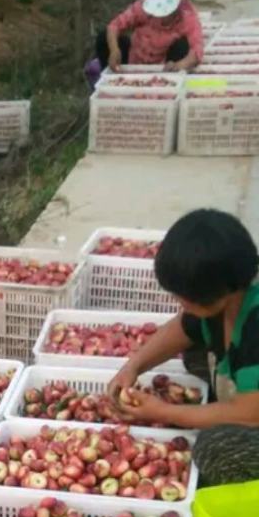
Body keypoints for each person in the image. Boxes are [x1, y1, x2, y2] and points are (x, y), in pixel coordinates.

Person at [108, 209, 259, 487]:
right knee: (192, 349)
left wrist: (165, 412)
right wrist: (134, 366)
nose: (181, 304)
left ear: (216, 292)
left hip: (254, 410)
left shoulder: (255, 324)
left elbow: (251, 414)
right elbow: (182, 328)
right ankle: (219, 399)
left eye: (186, 299)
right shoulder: (221, 296)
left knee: (215, 449)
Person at [84, 0, 203, 89]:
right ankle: (108, 83)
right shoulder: (143, 5)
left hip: (162, 67)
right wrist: (115, 50)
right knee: (104, 38)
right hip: (134, 59)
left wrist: (178, 65)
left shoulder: (188, 16)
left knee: (182, 45)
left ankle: (165, 90)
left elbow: (197, 51)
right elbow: (114, 26)